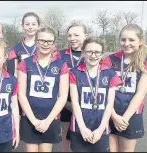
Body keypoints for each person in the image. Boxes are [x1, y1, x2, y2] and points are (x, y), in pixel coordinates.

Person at [17, 27, 69, 152]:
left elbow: (62, 96)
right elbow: (21, 94)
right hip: (30, 118)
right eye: (41, 40)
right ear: (36, 41)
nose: (45, 44)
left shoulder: (61, 65)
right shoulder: (25, 63)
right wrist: (33, 120)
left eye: (49, 41)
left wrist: (48, 121)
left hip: (50, 118)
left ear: (54, 44)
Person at [69, 37, 122, 152]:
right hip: (79, 127)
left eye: (97, 52)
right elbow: (75, 103)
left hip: (101, 127)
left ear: (102, 54)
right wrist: (82, 128)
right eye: (89, 51)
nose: (93, 55)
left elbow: (109, 105)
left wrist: (100, 129)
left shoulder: (110, 74)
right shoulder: (74, 72)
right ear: (83, 52)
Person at [103, 24, 147, 152]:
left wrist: (124, 118)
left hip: (131, 115)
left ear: (140, 41)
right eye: (123, 39)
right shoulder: (110, 59)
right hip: (111, 112)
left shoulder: (146, 60)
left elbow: (141, 93)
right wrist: (114, 116)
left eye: (131, 40)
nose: (126, 43)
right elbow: (105, 90)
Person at [59, 23, 87, 152]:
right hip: (65, 102)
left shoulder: (92, 53)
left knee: (84, 135)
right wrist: (64, 102)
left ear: (85, 36)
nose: (72, 38)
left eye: (76, 35)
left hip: (86, 102)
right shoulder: (60, 55)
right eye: (69, 35)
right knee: (65, 136)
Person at [7, 12, 40, 77]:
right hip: (21, 84)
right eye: (27, 24)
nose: (30, 27)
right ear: (22, 26)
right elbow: (12, 75)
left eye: (33, 24)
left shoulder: (45, 48)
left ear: (38, 26)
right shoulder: (15, 49)